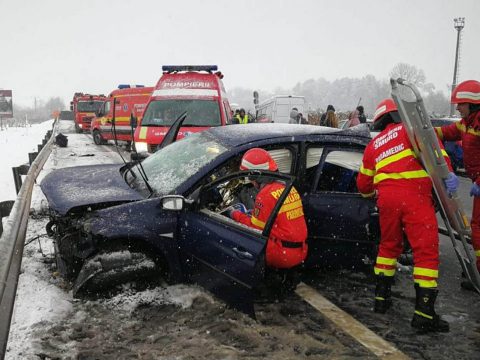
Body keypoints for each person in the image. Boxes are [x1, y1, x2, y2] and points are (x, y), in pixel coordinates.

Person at [356, 98, 457, 333]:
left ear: (380, 120)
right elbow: (438, 157)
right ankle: (424, 312)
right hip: (415, 196)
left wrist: (375, 193)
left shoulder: (375, 143)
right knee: (426, 251)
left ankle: (381, 299)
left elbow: (363, 184)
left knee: (389, 245)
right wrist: (449, 176)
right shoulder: (412, 130)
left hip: (387, 200)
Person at [228, 148, 308, 270]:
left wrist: (234, 214)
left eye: (251, 179)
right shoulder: (288, 187)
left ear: (257, 177)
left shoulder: (265, 195)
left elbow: (254, 228)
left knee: (235, 243)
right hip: (300, 251)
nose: (251, 182)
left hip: (281, 254)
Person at [434, 80, 480, 290]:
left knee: (478, 229)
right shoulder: (466, 123)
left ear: (472, 104)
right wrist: (423, 131)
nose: (458, 108)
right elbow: (445, 133)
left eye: (461, 104)